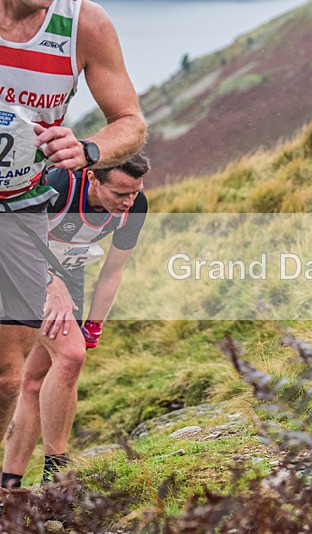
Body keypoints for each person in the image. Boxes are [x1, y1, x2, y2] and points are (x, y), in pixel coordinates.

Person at [0, 0, 146, 476]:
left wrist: (89, 148)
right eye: (120, 193)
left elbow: (132, 122)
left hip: (20, 210)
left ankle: (13, 480)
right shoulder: (70, 192)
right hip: (39, 237)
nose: (127, 201)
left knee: (9, 379)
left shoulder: (85, 23)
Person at [1, 152, 149, 488]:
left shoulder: (134, 207)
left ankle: (8, 485)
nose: (128, 201)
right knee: (70, 355)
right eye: (119, 194)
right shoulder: (59, 186)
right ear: (93, 178)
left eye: (134, 193)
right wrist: (51, 285)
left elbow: (113, 270)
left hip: (68, 272)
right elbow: (11, 237)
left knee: (36, 380)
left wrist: (95, 323)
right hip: (14, 266)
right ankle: (57, 477)